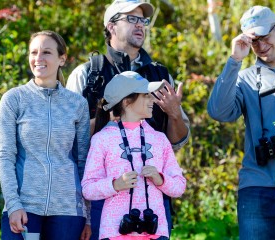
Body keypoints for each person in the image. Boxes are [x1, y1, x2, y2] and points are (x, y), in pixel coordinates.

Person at [66, 1, 190, 238]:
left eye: (143, 20)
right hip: (98, 204)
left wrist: (174, 113)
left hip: (152, 206)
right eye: (131, 19)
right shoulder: (87, 74)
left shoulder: (161, 76)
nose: (140, 25)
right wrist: (109, 123)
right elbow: (69, 143)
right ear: (111, 26)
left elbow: (177, 142)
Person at [207, 6, 275, 239]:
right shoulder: (244, 78)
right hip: (256, 187)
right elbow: (219, 112)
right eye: (254, 41)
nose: (260, 46)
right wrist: (234, 60)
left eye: (264, 37)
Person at [0, 30, 91, 240]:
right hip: (24, 207)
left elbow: (83, 160)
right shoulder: (14, 99)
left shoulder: (77, 104)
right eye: (33, 52)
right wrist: (13, 204)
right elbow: (6, 156)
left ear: (62, 59)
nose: (38, 59)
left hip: (67, 211)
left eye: (46, 52)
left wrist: (88, 216)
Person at [81, 71, 186, 240]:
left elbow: (180, 186)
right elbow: (88, 189)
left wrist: (160, 179)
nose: (152, 99)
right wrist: (115, 184)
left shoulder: (160, 139)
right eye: (146, 95)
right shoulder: (102, 139)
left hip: (156, 232)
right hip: (115, 232)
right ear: (127, 101)